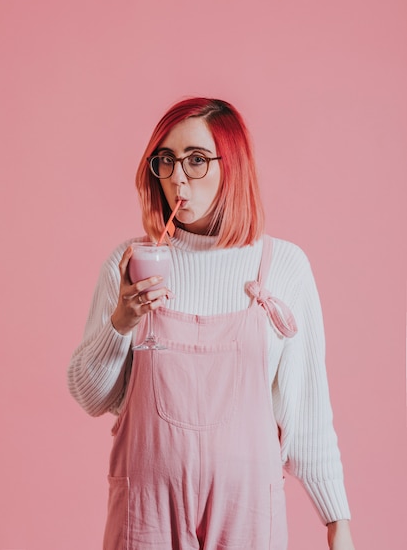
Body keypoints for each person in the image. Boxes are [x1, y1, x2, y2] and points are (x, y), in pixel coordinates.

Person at [68, 97, 356, 550]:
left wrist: (337, 522)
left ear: (232, 165)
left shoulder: (281, 266)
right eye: (166, 160)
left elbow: (307, 414)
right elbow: (90, 396)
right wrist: (121, 321)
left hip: (248, 512)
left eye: (196, 160)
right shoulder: (129, 264)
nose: (177, 177)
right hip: (146, 509)